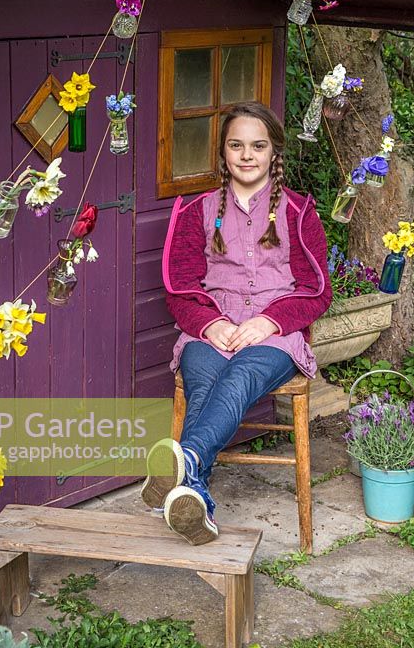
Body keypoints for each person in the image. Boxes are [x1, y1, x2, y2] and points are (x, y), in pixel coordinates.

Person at [141, 102, 332, 545]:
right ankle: (196, 498)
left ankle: (184, 464)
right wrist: (209, 325)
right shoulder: (198, 212)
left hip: (275, 335)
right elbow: (181, 287)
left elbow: (317, 289)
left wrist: (270, 321)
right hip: (213, 326)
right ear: (224, 153)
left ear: (274, 153)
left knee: (241, 375)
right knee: (205, 380)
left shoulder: (298, 212)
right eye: (237, 145)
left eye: (258, 146)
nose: (247, 155)